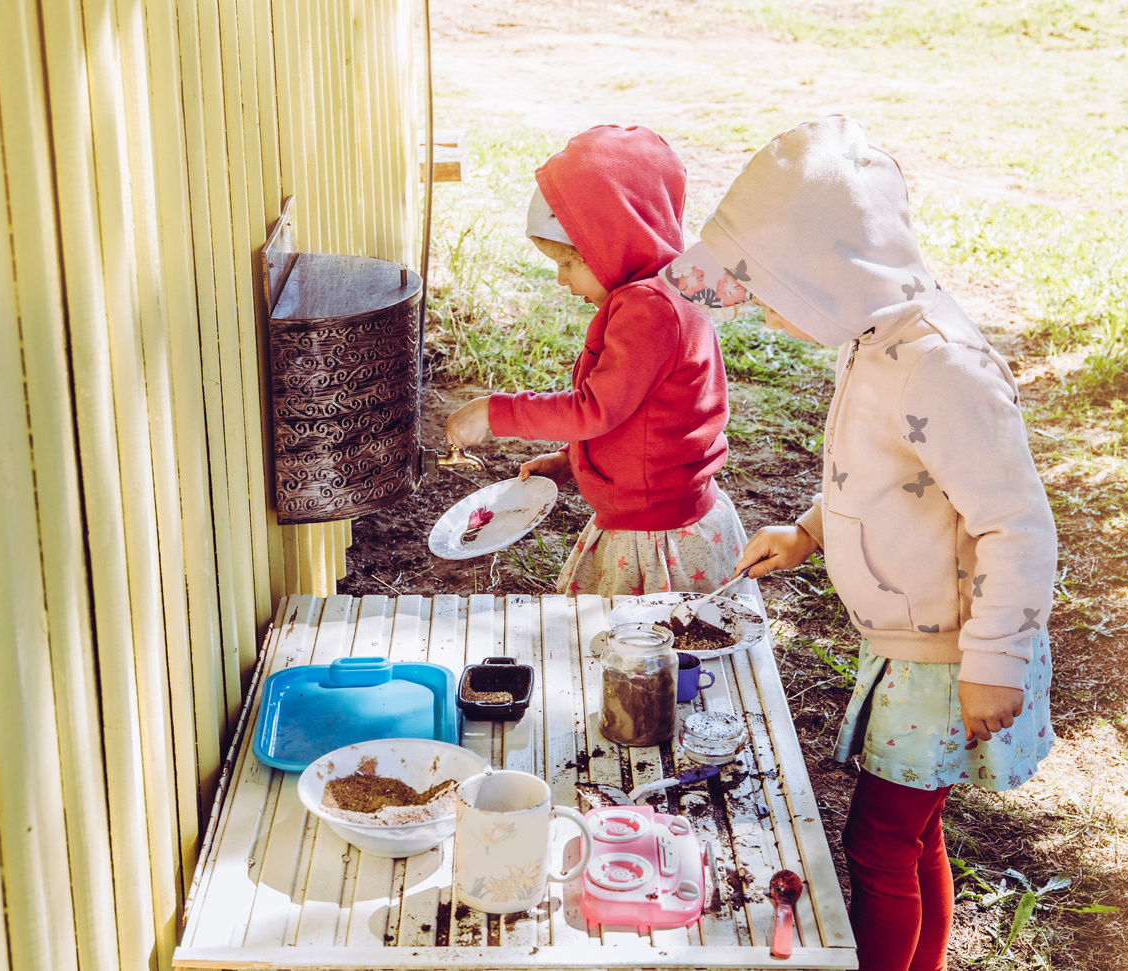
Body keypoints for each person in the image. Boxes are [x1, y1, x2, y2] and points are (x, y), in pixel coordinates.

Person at [660, 115, 1057, 971]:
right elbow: (886, 479)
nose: (757, 306)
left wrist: (994, 656)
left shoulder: (943, 368)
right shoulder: (874, 342)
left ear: (829, 273)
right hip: (913, 646)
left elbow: (1016, 522)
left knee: (879, 840)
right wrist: (806, 531)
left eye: (768, 287)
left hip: (949, 655)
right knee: (912, 831)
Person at [445, 124, 750, 598]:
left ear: (615, 242)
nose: (561, 280)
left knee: (639, 651)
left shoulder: (649, 311)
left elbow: (595, 408)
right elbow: (646, 415)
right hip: (653, 511)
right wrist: (574, 460)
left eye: (569, 263)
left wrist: (494, 410)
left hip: (656, 536)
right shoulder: (663, 290)